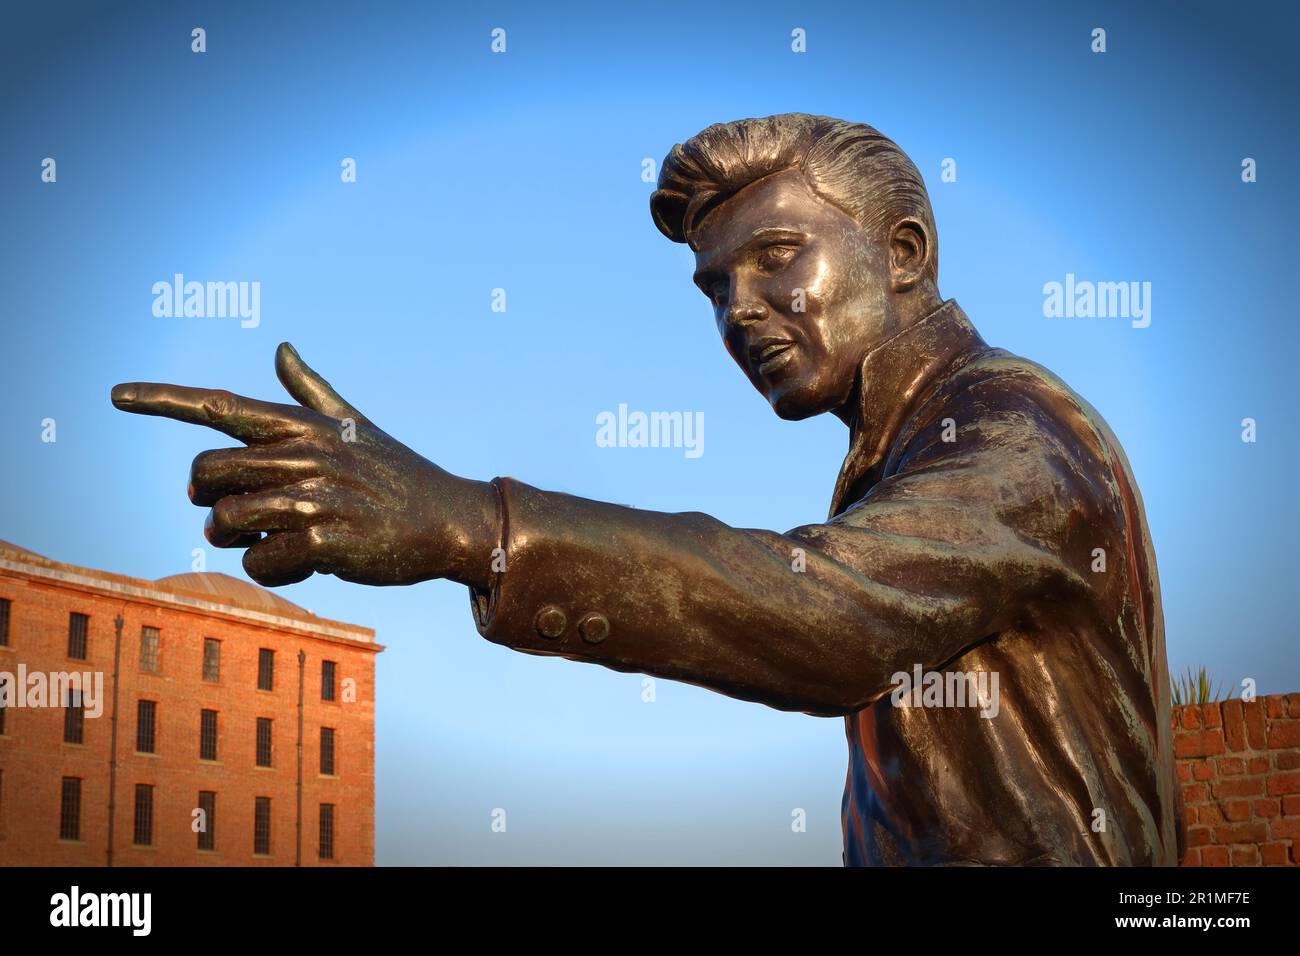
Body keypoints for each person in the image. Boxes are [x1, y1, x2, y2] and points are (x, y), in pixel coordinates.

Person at [112, 113, 1183, 866]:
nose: (741, 311)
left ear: (902, 253)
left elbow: (830, 610)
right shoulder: (907, 453)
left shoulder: (1012, 427)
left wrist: (465, 526)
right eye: (717, 286)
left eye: (776, 257)